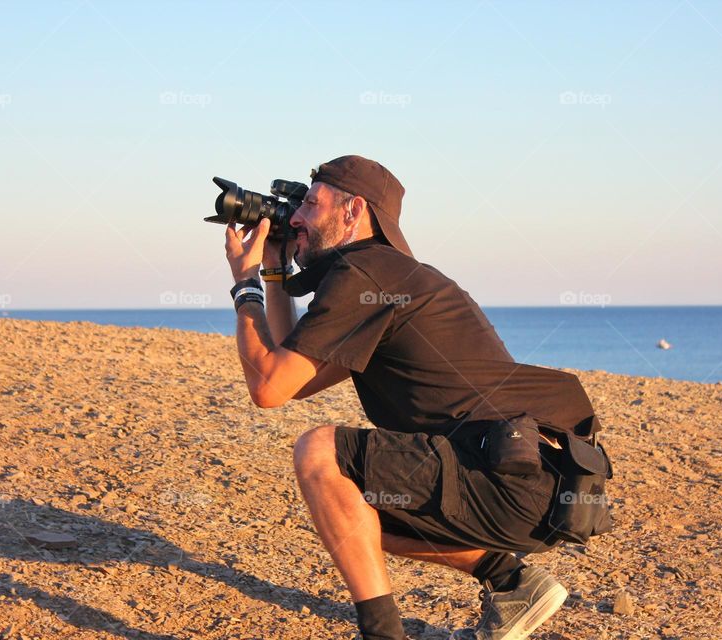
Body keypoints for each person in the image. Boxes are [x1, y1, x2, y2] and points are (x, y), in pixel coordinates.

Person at [222, 155, 606, 640]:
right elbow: (289, 374)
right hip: (540, 484)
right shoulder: (383, 278)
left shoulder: (366, 275)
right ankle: (513, 582)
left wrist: (245, 285)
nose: (295, 217)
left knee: (318, 452)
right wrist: (274, 273)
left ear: (352, 210)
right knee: (347, 514)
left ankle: (383, 635)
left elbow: (267, 388)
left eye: (309, 205)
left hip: (514, 479)